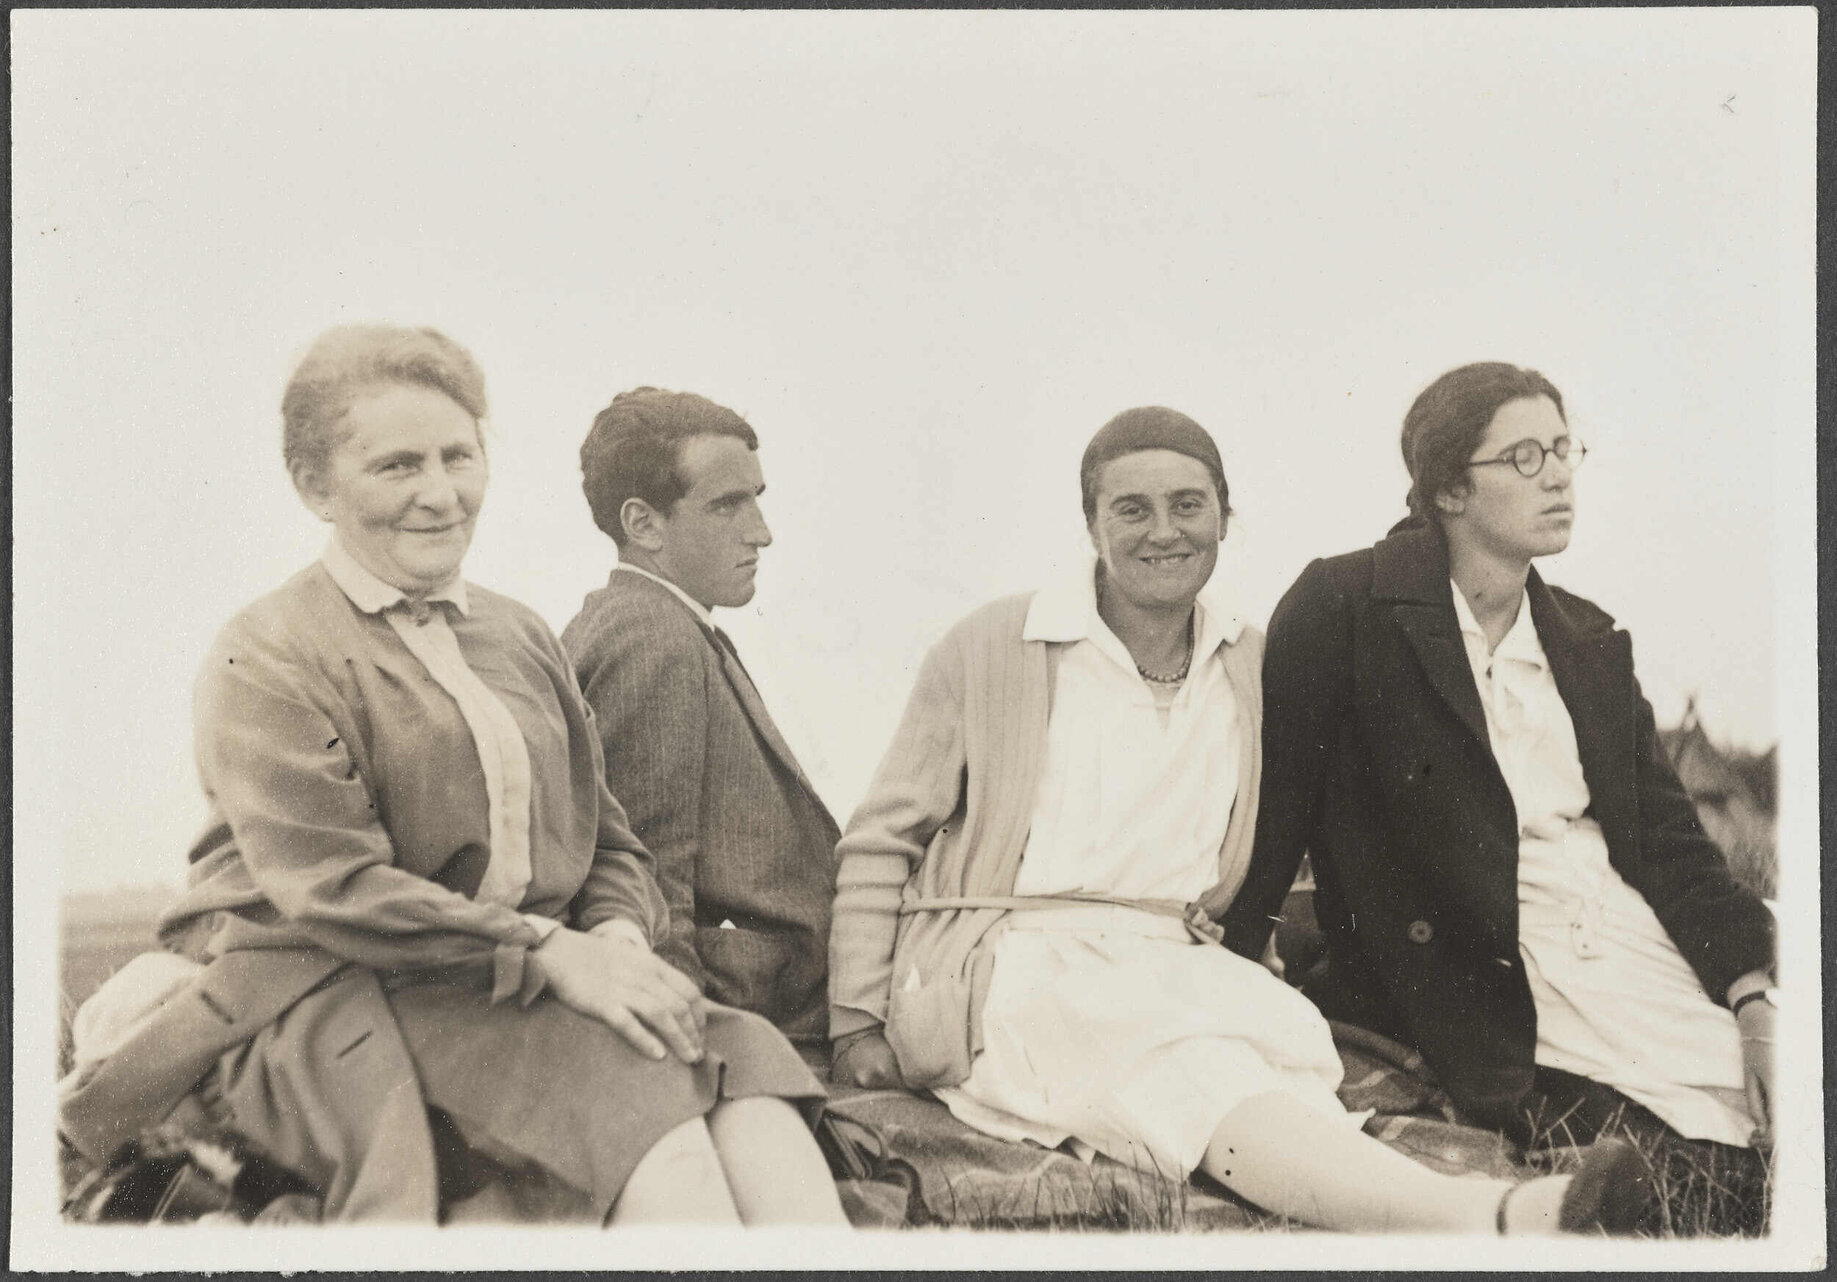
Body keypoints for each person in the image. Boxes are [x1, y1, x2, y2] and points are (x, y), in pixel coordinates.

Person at [64, 326, 845, 1226]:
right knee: (662, 1145)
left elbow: (609, 841)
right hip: (339, 984)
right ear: (317, 486)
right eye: (397, 466)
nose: (440, 495)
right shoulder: (268, 652)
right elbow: (337, 891)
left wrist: (621, 942)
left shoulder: (517, 635)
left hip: (530, 976)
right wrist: (555, 956)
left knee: (755, 1104)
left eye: (458, 457)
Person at [827, 405, 1647, 1234]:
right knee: (1185, 1074)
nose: (1163, 532)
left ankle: (1455, 1213)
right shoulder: (998, 644)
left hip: (1181, 963)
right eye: (1130, 509)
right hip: (1016, 968)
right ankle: (1502, 1220)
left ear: (1225, 516)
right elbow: (880, 839)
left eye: (1188, 505)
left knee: (1266, 1077)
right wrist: (856, 1016)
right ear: (1089, 524)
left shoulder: (1253, 663)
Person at [1226, 362, 1775, 1234]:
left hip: (1619, 928)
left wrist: (1752, 997)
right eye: (1523, 456)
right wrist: (1242, 950)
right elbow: (1275, 805)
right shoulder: (1343, 605)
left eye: (1563, 449)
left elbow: (1671, 846)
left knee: (1777, 1085)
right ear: (1446, 486)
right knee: (1714, 1133)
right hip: (1479, 946)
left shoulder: (1589, 640)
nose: (1559, 475)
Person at [562, 389, 840, 1064]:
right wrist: (693, 1065)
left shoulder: (657, 621)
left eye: (756, 497)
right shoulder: (652, 636)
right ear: (643, 523)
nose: (761, 530)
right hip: (753, 1024)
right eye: (726, 505)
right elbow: (644, 879)